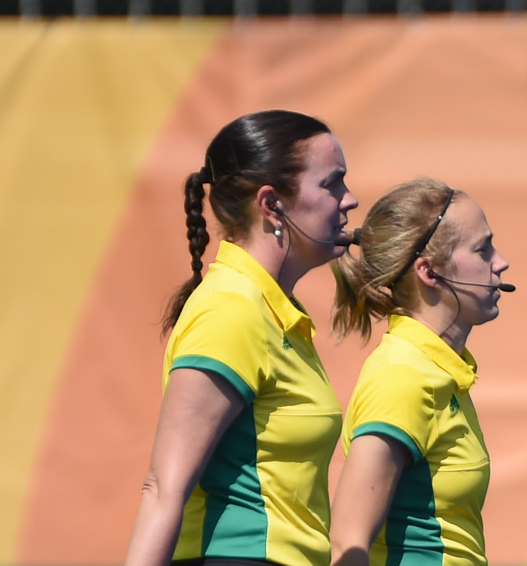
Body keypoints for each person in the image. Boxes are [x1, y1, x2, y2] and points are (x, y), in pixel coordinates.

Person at [124, 109, 358, 566]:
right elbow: (162, 488)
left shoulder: (272, 312)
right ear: (272, 204)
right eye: (332, 183)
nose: (349, 200)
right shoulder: (231, 311)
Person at [328, 178, 511, 566]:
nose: (501, 262)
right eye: (483, 249)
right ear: (429, 272)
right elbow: (347, 542)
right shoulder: (402, 376)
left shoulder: (439, 372)